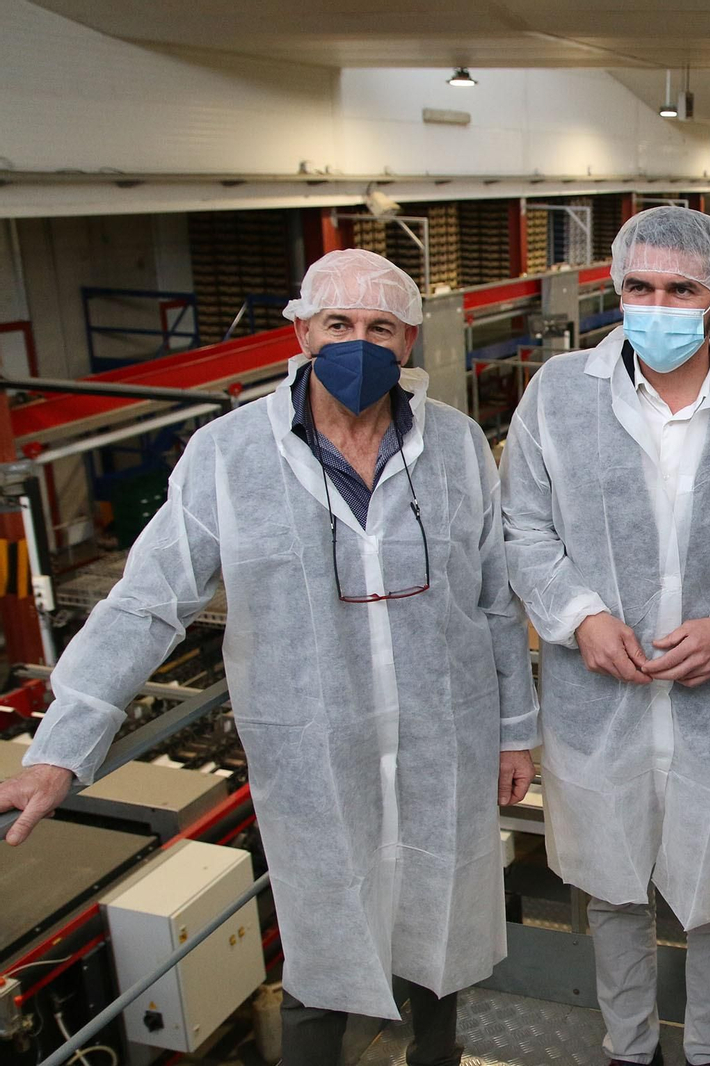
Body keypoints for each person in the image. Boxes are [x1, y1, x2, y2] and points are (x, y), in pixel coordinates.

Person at [0, 248, 536, 1066]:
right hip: (314, 757)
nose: (358, 343)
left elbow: (496, 599)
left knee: (443, 934)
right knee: (320, 958)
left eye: (379, 328)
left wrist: (515, 729)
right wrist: (60, 748)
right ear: (302, 331)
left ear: (410, 342)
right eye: (338, 324)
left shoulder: (457, 443)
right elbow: (148, 601)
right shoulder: (231, 454)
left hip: (444, 743)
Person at [500, 206, 710, 1066]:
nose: (658, 303)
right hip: (600, 702)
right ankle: (626, 1049)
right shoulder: (560, 393)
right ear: (616, 288)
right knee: (611, 894)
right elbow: (523, 527)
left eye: (682, 288)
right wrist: (579, 616)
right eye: (640, 286)